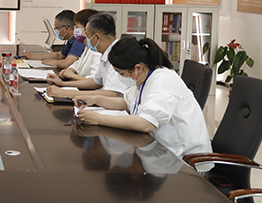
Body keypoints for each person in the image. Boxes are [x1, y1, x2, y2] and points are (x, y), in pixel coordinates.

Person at [74, 37, 212, 158]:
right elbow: (126, 102)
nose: (121, 77)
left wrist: (100, 119)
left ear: (138, 68)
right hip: (162, 151)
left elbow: (146, 124)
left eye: (121, 73)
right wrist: (96, 100)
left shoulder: (161, 82)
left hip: (185, 161)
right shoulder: (146, 77)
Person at [47, 13, 135, 99]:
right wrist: (62, 84)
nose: (86, 40)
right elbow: (95, 82)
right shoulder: (105, 52)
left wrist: (65, 93)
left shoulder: (118, 54)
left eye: (88, 36)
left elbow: (111, 94)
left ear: (97, 37)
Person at [59, 9, 101, 82]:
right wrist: (69, 70)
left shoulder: (97, 51)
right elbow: (78, 63)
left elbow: (94, 80)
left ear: (87, 28)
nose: (75, 30)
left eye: (77, 27)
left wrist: (72, 76)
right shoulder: (87, 47)